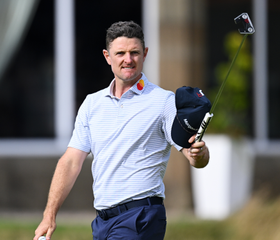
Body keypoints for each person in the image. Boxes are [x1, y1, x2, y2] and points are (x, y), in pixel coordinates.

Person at [33, 21, 210, 240]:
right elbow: (71, 161)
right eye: (121, 53)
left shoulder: (163, 102)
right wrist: (49, 215)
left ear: (145, 53)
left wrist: (200, 155)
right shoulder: (92, 104)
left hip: (141, 217)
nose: (128, 59)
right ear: (108, 56)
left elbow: (192, 154)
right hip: (102, 222)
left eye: (134, 52)